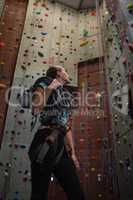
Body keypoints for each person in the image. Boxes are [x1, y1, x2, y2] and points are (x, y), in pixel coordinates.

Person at [28, 66, 85, 200]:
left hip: (61, 144)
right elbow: (35, 109)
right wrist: (49, 89)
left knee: (76, 193)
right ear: (58, 73)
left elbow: (66, 126)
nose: (67, 72)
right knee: (39, 193)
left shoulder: (66, 95)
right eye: (64, 70)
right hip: (45, 139)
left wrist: (73, 153)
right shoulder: (45, 81)